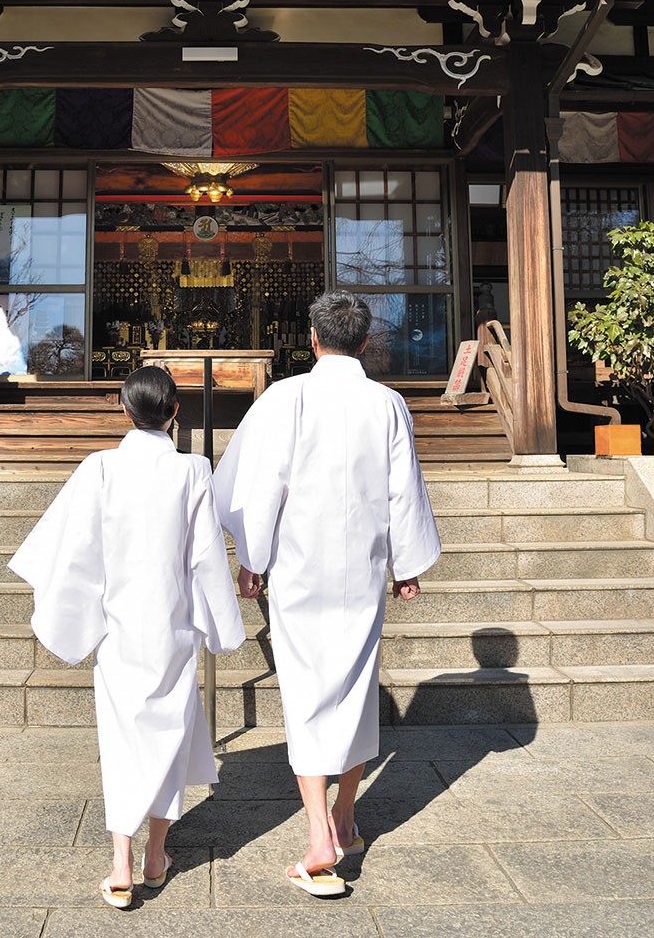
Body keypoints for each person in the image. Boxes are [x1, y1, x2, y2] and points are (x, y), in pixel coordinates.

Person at [213, 290, 441, 897]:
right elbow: (403, 487)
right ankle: (345, 818)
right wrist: (406, 562)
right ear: (365, 342)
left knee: (306, 689)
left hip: (299, 565)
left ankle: (320, 836)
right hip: (362, 564)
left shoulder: (287, 398)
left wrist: (251, 559)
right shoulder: (387, 403)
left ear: (313, 340)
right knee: (358, 685)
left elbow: (262, 486)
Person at [9, 366, 244, 909]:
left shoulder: (101, 468)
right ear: (174, 411)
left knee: (120, 741)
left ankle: (120, 862)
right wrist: (224, 626)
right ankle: (155, 856)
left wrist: (75, 612)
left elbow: (74, 549)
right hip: (174, 623)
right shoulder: (193, 471)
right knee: (170, 735)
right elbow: (206, 556)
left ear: (123, 410)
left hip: (117, 625)